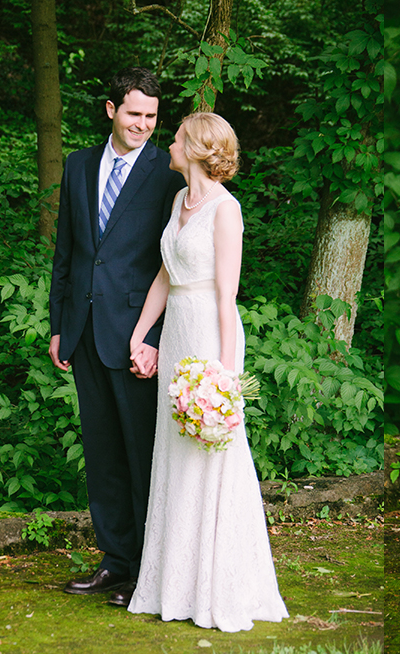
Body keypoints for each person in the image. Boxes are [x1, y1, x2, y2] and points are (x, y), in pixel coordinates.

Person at [124, 112, 288, 630]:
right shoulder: (179, 201)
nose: (167, 143)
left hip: (209, 337)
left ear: (195, 148)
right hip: (175, 336)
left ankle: (218, 586)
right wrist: (140, 334)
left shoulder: (226, 209)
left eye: (175, 138)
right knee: (175, 450)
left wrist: (226, 377)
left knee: (213, 451)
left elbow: (227, 296)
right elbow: (164, 276)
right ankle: (175, 583)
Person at [49, 67, 185, 599]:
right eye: (134, 114)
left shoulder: (168, 173)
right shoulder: (79, 166)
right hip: (82, 332)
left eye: (152, 116)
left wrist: (155, 338)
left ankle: (149, 570)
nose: (144, 125)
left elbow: (174, 262)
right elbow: (67, 251)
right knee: (103, 453)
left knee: (141, 454)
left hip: (137, 337)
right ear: (111, 110)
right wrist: (60, 325)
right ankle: (115, 559)